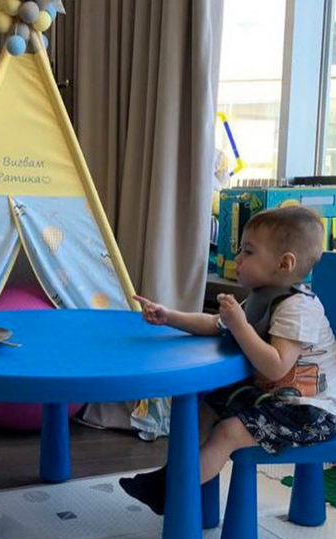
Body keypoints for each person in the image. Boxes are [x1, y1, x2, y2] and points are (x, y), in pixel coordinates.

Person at [120, 206, 336, 515]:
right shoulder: (262, 296)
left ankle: (171, 490)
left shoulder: (299, 308)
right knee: (209, 405)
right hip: (272, 399)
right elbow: (213, 324)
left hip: (313, 412)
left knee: (228, 432)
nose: (237, 258)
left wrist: (240, 324)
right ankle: (173, 474)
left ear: (284, 264)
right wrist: (169, 317)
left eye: (248, 251)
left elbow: (276, 366)